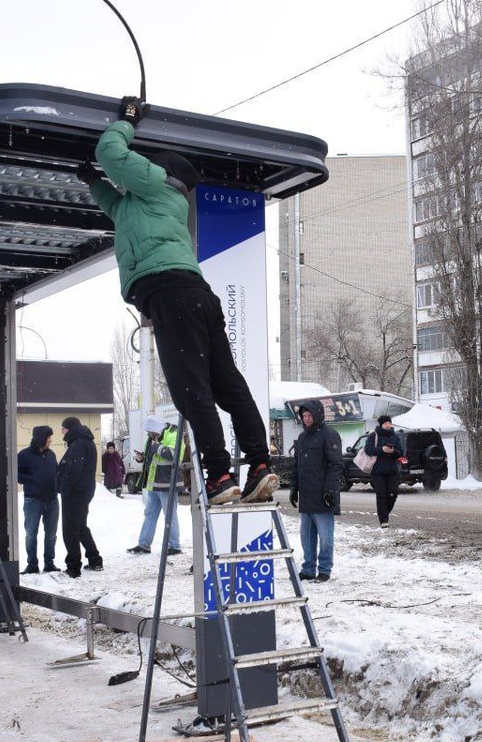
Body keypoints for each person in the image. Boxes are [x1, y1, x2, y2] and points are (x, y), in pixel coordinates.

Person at [78, 97, 278, 506]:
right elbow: (116, 207)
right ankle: (259, 463)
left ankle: (219, 474)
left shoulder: (154, 181)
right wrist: (93, 182)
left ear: (163, 170)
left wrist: (127, 121)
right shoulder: (149, 201)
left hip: (170, 295)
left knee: (193, 393)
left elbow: (110, 151)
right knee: (228, 384)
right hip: (196, 295)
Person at [288, 400, 342, 582]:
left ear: (318, 414)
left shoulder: (330, 435)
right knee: (307, 537)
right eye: (304, 416)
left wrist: (330, 491)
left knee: (325, 537)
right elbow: (297, 465)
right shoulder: (303, 438)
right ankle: (308, 569)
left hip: (323, 496)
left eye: (310, 415)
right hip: (307, 495)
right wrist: (294, 487)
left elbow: (335, 465)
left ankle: (325, 569)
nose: (307, 419)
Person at [129, 416, 185, 556]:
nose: (149, 435)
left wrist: (157, 448)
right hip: (154, 484)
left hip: (168, 483)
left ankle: (175, 546)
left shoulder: (173, 434)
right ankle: (144, 545)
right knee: (149, 514)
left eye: (150, 432)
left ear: (156, 429)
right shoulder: (153, 438)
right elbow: (152, 457)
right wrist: (141, 457)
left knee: (170, 515)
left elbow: (176, 454)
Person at [57, 416, 101, 577]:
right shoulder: (86, 442)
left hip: (75, 492)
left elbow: (74, 470)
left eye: (63, 428)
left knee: (70, 530)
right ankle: (95, 558)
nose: (61, 432)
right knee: (80, 526)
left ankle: (73, 566)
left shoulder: (79, 444)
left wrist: (64, 489)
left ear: (69, 429)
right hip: (84, 490)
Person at [17, 425, 60, 574]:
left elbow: (56, 472)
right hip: (33, 500)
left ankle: (49, 563)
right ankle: (32, 565)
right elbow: (17, 475)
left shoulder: (51, 455)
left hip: (52, 500)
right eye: (48, 438)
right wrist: (34, 479)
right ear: (41, 438)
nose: (50, 441)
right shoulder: (23, 455)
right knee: (31, 534)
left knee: (51, 534)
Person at [364, 414, 405, 528]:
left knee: (393, 494)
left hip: (392, 470)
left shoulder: (394, 436)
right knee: (381, 495)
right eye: (385, 423)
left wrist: (393, 452)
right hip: (377, 471)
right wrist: (382, 449)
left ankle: (384, 513)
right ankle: (384, 520)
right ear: (381, 424)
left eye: (389, 423)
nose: (388, 425)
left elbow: (401, 452)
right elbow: (368, 450)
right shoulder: (374, 435)